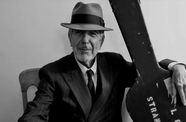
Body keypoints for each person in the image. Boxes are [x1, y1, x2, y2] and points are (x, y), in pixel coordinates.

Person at [18, 2, 186, 122]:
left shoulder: (115, 63)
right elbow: (34, 115)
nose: (85, 40)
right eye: (78, 32)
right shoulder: (53, 73)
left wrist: (175, 66)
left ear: (102, 40)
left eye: (93, 34)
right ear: (70, 37)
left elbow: (149, 72)